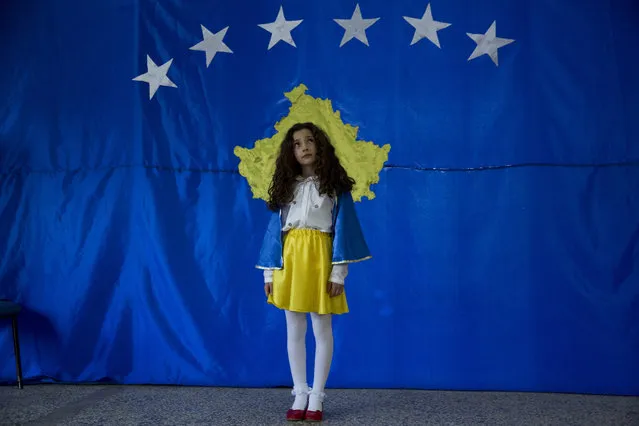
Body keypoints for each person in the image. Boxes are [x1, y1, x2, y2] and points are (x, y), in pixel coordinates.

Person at [256, 122, 371, 422]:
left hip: (320, 258)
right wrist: (269, 274)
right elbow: (274, 234)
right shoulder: (285, 187)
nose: (304, 146)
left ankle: (317, 396)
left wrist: (337, 274)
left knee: (322, 329)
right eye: (296, 143)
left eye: (309, 141)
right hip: (289, 261)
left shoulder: (334, 187)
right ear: (290, 152)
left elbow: (343, 233)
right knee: (294, 329)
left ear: (319, 145)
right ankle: (300, 392)